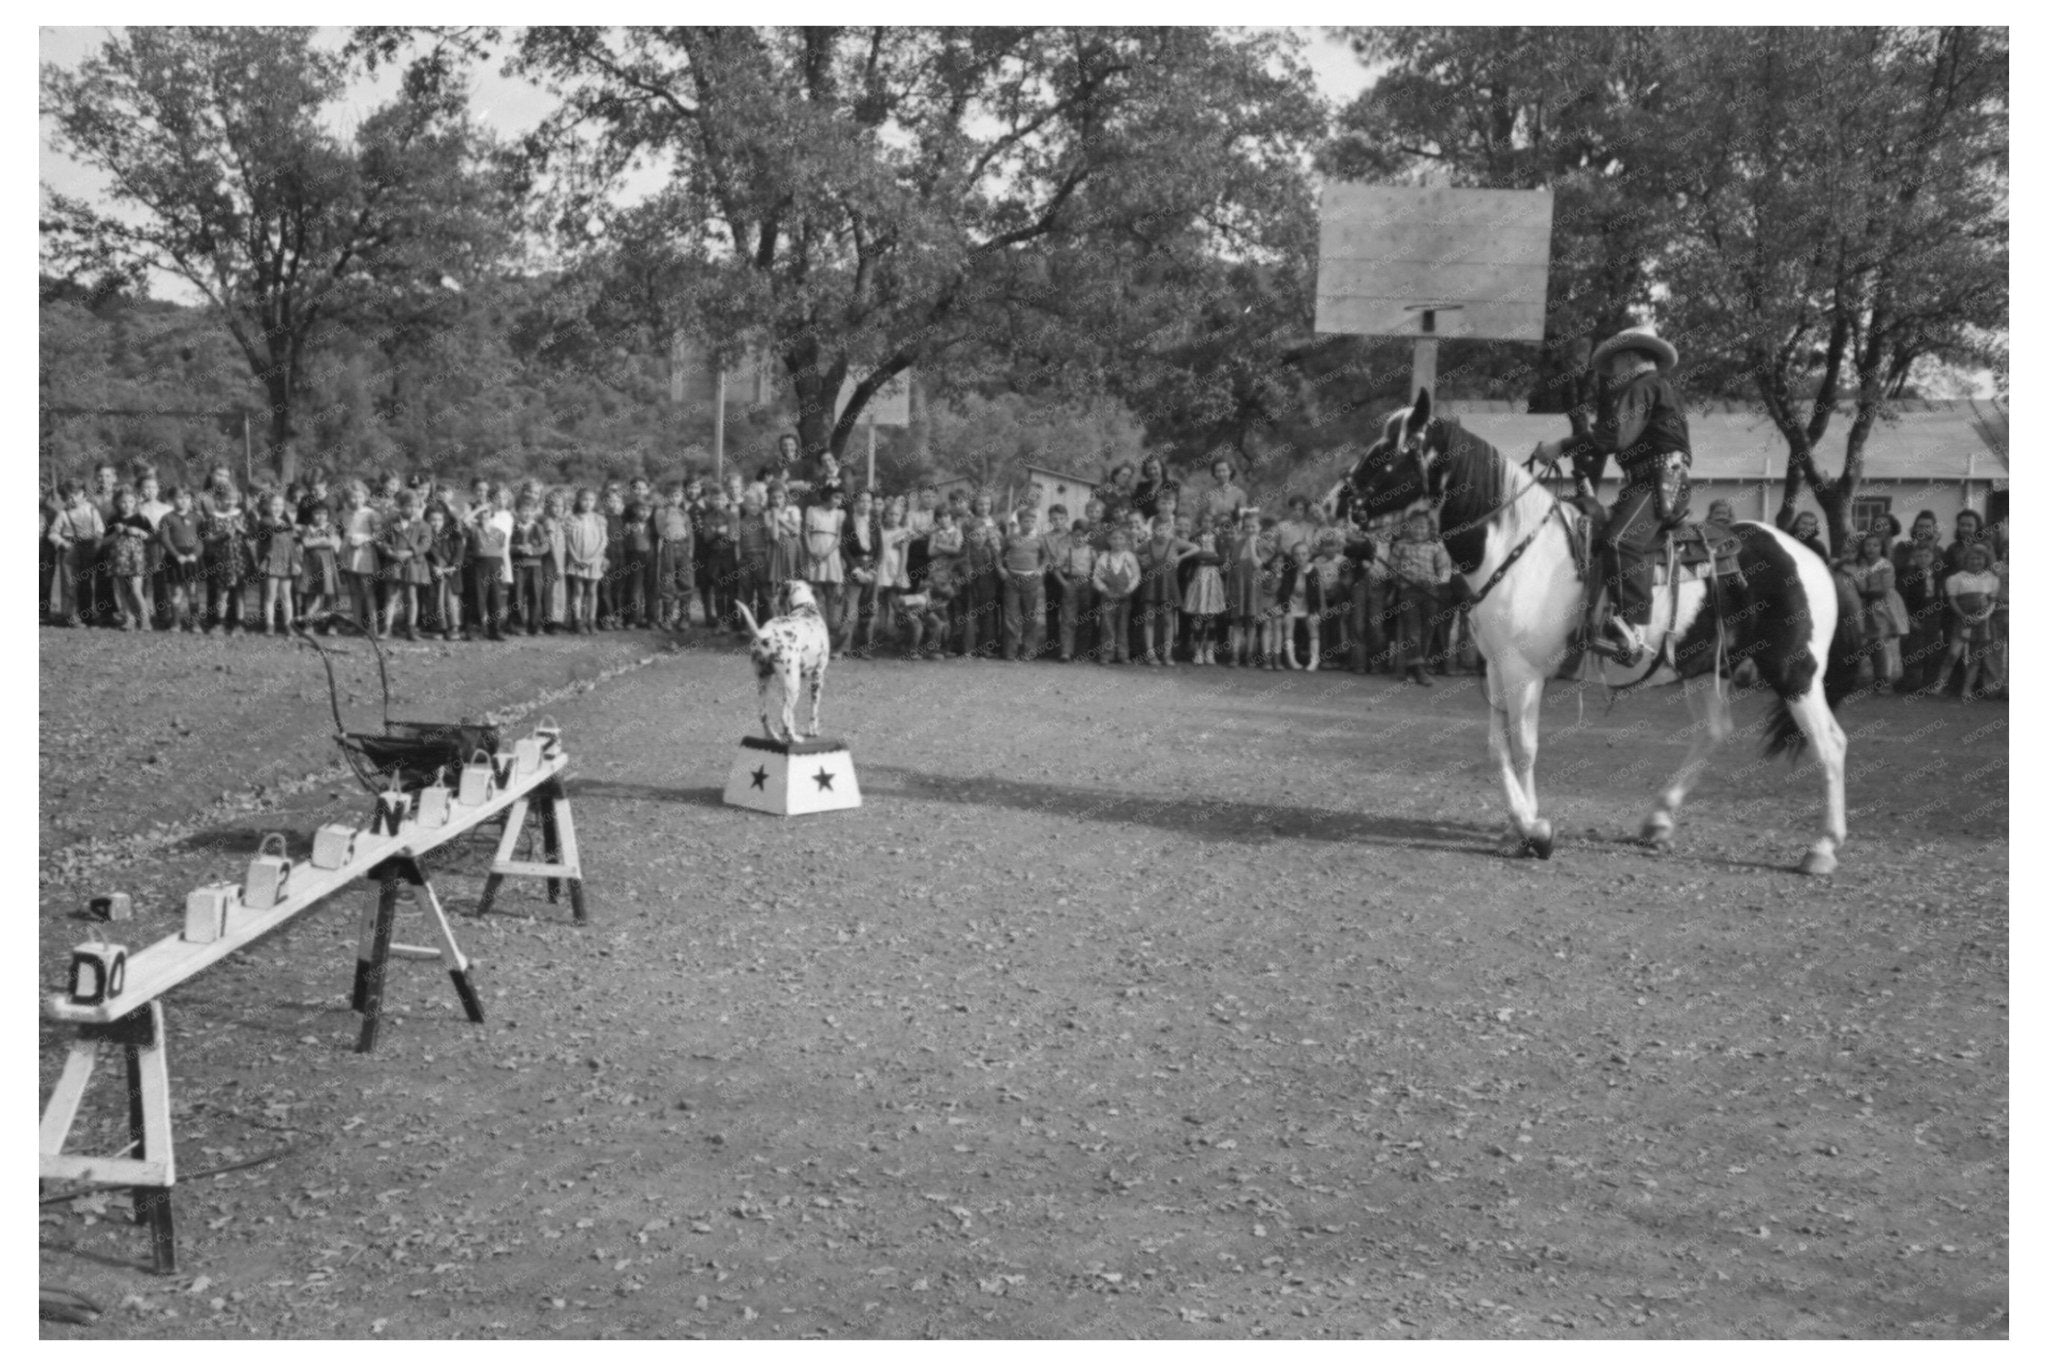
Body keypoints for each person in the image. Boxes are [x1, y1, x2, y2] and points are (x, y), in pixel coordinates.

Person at [1531, 326, 1692, 665]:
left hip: (1658, 482)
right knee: (1599, 536)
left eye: (1616, 363)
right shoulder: (1655, 388)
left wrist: (1561, 446)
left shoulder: (1644, 386)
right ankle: (1597, 619)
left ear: (1631, 357)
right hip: (1647, 482)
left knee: (1621, 541)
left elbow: (1615, 436)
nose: (1613, 373)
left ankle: (1634, 632)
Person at [1924, 542, 2000, 700]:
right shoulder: (1956, 578)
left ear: (1985, 560)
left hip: (1981, 622)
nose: (1976, 562)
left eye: (1979, 558)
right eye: (1972, 558)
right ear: (1966, 560)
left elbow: (1992, 601)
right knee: (1953, 653)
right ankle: (1939, 685)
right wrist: (1963, 616)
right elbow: (1952, 600)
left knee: (1975, 656)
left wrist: (1982, 616)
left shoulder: (1991, 579)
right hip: (1962, 620)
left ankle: (1967, 689)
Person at [1388, 509, 1453, 686]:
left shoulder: (1436, 547)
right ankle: (1419, 672)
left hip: (1430, 592)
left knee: (1427, 631)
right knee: (1412, 632)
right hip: (1408, 592)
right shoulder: (1400, 545)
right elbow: (1391, 571)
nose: (1418, 531)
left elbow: (1445, 573)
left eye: (1422, 527)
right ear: (1409, 528)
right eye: (1415, 527)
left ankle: (1416, 668)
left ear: (1429, 529)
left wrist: (1433, 580)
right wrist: (1402, 580)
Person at [1845, 531, 1901, 691]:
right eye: (1868, 545)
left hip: (1880, 607)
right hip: (1862, 607)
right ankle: (1855, 677)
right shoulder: (1860, 564)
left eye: (1875, 545)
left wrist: (1864, 592)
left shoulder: (1885, 565)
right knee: (1863, 643)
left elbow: (1884, 589)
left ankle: (1883, 680)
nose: (1871, 548)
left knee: (1880, 643)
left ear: (1882, 547)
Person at [997, 504, 1052, 662]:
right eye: (1025, 521)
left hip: (1031, 581)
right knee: (1011, 616)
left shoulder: (1039, 540)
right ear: (1019, 522)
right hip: (1012, 579)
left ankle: (1028, 651)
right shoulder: (1011, 538)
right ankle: (1010, 652)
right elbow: (999, 555)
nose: (1029, 524)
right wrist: (1001, 569)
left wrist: (1041, 569)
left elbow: (1046, 557)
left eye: (1032, 521)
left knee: (1030, 616)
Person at [106, 486, 157, 631]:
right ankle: (129, 618)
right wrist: (115, 533)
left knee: (135, 589)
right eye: (123, 502)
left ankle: (145, 620)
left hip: (136, 560)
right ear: (116, 503)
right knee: (123, 589)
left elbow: (152, 537)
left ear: (135, 502)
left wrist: (139, 532)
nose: (127, 505)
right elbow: (105, 541)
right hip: (119, 559)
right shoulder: (113, 519)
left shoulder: (141, 518)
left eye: (130, 501)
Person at [155, 486, 205, 632]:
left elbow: (201, 539)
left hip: (192, 558)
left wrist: (195, 554)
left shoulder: (197, 517)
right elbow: (165, 539)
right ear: (171, 499)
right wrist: (177, 556)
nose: (183, 501)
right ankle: (175, 623)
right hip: (174, 558)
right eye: (179, 497)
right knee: (176, 592)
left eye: (187, 498)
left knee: (192, 591)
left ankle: (195, 623)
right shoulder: (167, 518)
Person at [254, 490, 303, 635]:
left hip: (286, 562)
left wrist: (295, 562)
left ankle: (289, 624)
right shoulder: (265, 520)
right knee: (270, 595)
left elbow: (292, 545)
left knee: (286, 595)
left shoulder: (286, 521)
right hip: (271, 562)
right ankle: (270, 624)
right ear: (268, 505)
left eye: (281, 504)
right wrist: (294, 526)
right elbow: (272, 527)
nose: (278, 507)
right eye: (274, 504)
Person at [1091, 526, 1140, 665]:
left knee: (1123, 625)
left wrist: (1129, 590)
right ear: (1108, 540)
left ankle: (1123, 654)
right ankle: (1107, 654)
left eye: (1120, 538)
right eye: (1114, 538)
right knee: (1107, 625)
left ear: (1125, 540)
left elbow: (1136, 576)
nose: (1117, 541)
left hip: (1125, 596)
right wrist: (1104, 590)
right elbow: (1096, 577)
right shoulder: (1104, 557)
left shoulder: (1129, 557)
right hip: (1108, 595)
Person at [1180, 529, 1228, 665]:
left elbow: (1222, 558)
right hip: (1197, 578)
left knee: (1212, 616)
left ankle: (1210, 651)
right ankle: (1197, 651)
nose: (1207, 524)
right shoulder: (1195, 536)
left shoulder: (1218, 538)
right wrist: (1209, 555)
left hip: (1213, 577)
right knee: (1197, 616)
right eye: (1205, 520)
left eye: (1210, 521)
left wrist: (1206, 556)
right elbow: (1192, 555)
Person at [563, 488, 607, 634]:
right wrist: (575, 558)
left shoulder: (599, 519)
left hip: (594, 560)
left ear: (595, 502)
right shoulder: (572, 519)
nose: (588, 503)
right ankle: (577, 620)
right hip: (577, 559)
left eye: (591, 500)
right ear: (578, 501)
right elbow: (568, 541)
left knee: (592, 591)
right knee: (578, 590)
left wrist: (592, 559)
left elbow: (603, 541)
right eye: (584, 500)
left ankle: (591, 620)